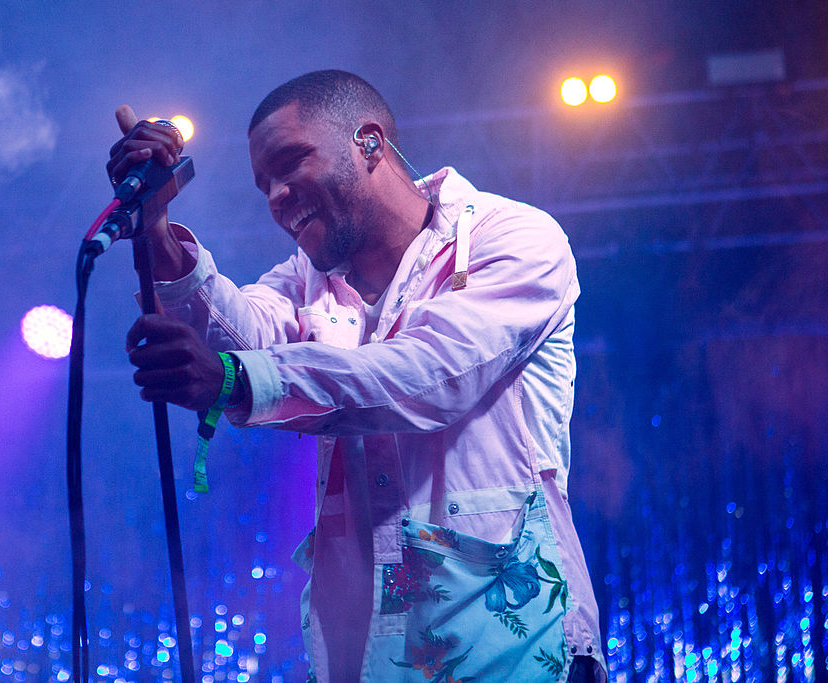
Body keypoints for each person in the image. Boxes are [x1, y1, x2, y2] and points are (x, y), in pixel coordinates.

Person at [108, 70, 607, 682]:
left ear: (367, 143)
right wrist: (155, 227)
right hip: (364, 656)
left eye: (290, 165)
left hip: (513, 648)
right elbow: (229, 334)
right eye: (264, 185)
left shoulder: (512, 239)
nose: (276, 197)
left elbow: (428, 375)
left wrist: (234, 381)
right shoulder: (305, 282)